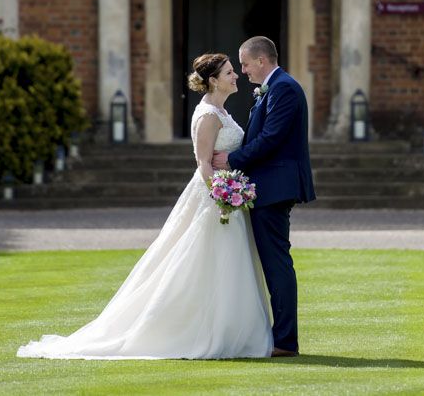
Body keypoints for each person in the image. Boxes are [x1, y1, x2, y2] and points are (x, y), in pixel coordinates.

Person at [17, 53, 272, 360]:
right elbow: (203, 163)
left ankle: (233, 331)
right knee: (201, 260)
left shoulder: (223, 112)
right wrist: (221, 194)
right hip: (214, 197)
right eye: (230, 72)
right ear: (214, 80)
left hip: (228, 195)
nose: (236, 76)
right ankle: (191, 331)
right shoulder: (207, 115)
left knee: (229, 263)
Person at [211, 36, 316, 358]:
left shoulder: (283, 87)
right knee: (273, 262)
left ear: (261, 60)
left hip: (275, 186)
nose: (242, 71)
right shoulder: (275, 86)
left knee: (277, 263)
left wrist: (233, 160)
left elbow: (271, 138)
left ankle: (285, 340)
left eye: (244, 64)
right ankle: (280, 336)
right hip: (269, 185)